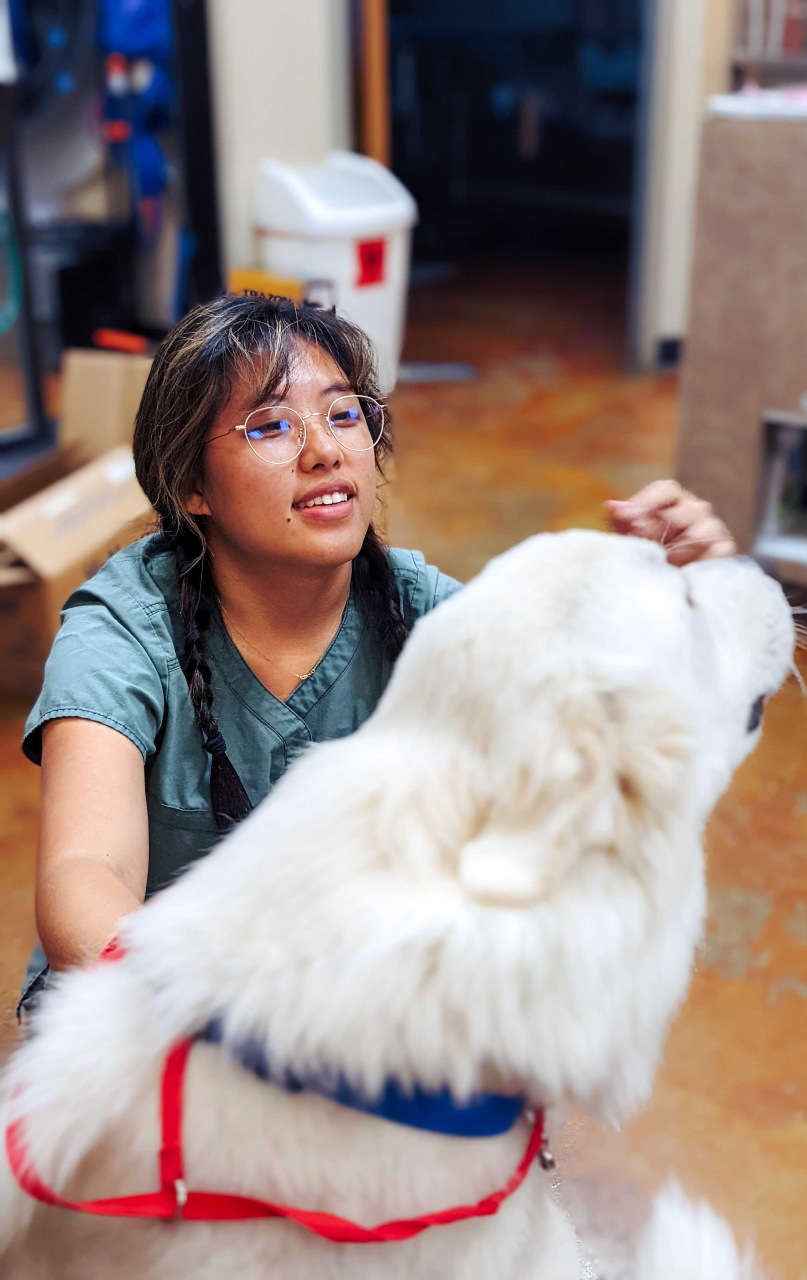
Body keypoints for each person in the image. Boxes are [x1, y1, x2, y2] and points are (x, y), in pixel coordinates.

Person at [19, 293, 735, 1007]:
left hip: (356, 1015)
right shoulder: (124, 628)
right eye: (269, 427)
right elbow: (85, 877)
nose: (325, 452)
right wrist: (236, 1024)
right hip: (150, 1023)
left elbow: (611, 765)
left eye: (343, 413)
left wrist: (675, 612)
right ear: (191, 485)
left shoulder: (432, 616)